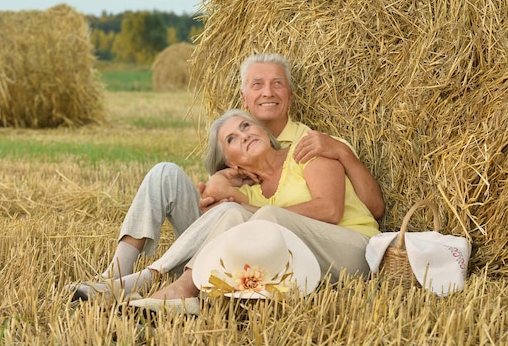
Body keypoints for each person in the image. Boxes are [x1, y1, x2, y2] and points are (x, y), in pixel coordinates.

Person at [70, 53, 384, 300]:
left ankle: (161, 278)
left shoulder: (310, 144)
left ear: (290, 93)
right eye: (257, 84)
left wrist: (238, 205)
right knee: (165, 174)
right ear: (243, 97)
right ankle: (119, 272)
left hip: (333, 245)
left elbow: (339, 210)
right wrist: (220, 185)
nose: (268, 93)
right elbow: (224, 206)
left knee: (252, 215)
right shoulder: (244, 169)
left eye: (277, 83)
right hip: (248, 243)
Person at [127, 109, 380, 314]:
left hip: (355, 251)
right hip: (308, 267)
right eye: (232, 139)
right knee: (236, 216)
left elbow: (330, 209)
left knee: (264, 220)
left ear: (264, 132)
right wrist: (220, 183)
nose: (244, 136)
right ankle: (182, 291)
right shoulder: (250, 193)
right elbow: (217, 225)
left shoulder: (305, 151)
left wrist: (248, 209)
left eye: (246, 126)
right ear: (231, 162)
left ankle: (163, 280)